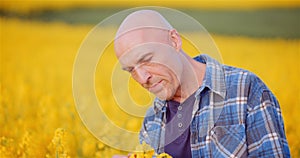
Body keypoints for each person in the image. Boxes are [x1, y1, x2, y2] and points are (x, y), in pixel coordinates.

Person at [114, 9, 290, 158]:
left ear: (174, 41)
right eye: (131, 70)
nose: (142, 78)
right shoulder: (152, 119)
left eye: (147, 59)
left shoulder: (246, 90)